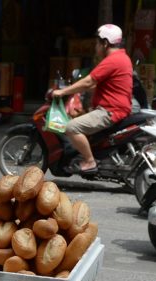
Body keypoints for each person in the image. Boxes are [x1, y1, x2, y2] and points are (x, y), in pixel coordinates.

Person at [50, 24, 133, 174]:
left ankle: (89, 161)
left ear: (105, 43)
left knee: (72, 127)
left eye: (97, 43)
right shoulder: (122, 57)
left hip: (110, 111)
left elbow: (89, 81)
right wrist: (77, 89)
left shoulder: (113, 60)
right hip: (115, 108)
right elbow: (94, 84)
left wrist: (63, 92)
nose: (96, 47)